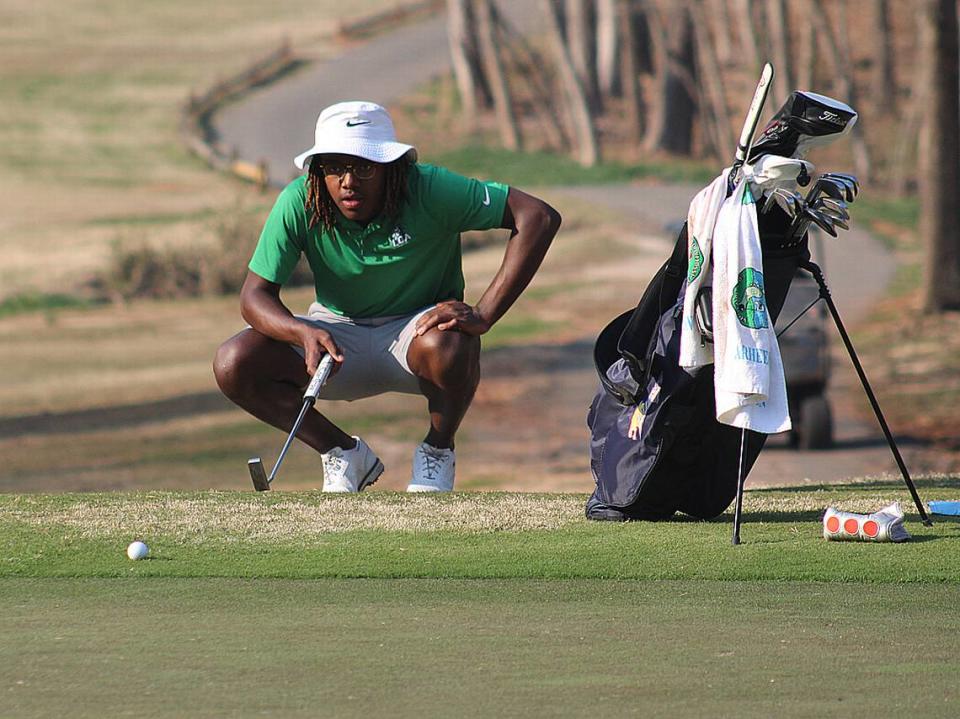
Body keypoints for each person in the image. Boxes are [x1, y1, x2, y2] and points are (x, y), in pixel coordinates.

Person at [214, 101, 561, 493]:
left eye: (364, 166)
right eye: (334, 167)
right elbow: (254, 296)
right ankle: (343, 453)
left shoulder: (430, 188)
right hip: (335, 336)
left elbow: (537, 217)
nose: (348, 181)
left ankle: (436, 453)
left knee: (451, 342)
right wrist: (299, 332)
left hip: (417, 335)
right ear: (318, 172)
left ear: (390, 168)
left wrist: (484, 314)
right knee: (234, 362)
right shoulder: (300, 200)